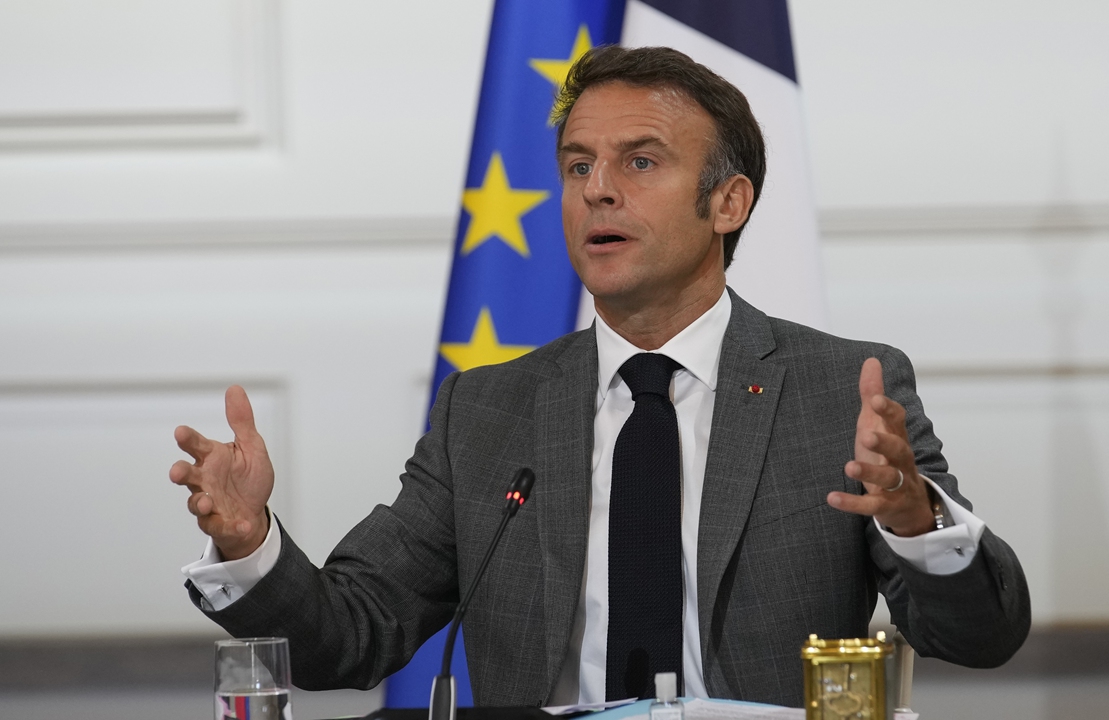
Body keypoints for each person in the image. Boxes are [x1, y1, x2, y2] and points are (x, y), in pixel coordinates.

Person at [171, 46, 1029, 708]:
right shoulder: (488, 408)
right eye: (579, 165)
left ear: (728, 202)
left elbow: (983, 635)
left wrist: (918, 524)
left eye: (640, 162)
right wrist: (248, 542)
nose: (598, 192)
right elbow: (349, 638)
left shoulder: (838, 390)